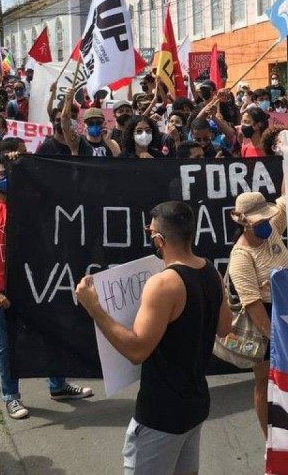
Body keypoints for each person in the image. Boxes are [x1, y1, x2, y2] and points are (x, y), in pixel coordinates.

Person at [75, 200, 230, 475]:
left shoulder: (163, 284)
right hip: (194, 405)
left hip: (161, 413)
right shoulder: (211, 272)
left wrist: (94, 308)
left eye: (151, 232)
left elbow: (137, 350)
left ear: (159, 239)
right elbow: (224, 327)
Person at [0, 155, 92, 420]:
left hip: (38, 288)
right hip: (4, 291)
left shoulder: (34, 207)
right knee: (7, 346)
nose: (7, 178)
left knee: (51, 335)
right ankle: (11, 396)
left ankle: (58, 385)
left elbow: (60, 189)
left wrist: (25, 161)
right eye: (2, 174)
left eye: (11, 173)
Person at [226, 191, 287, 438]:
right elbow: (252, 303)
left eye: (266, 219)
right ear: (244, 222)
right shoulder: (241, 257)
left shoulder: (272, 229)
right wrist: (275, 338)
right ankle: (269, 439)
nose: (265, 224)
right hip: (265, 317)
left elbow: (287, 195)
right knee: (265, 380)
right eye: (259, 221)